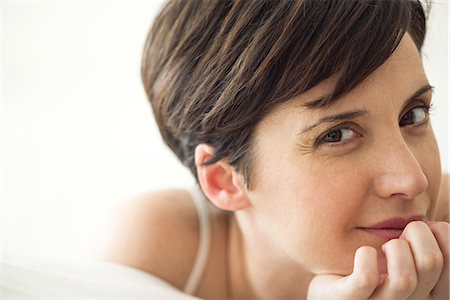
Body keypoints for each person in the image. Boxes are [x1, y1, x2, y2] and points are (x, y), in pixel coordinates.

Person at [92, 0, 449, 299]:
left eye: (413, 115)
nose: (412, 179)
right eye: (337, 135)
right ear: (225, 180)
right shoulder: (153, 251)